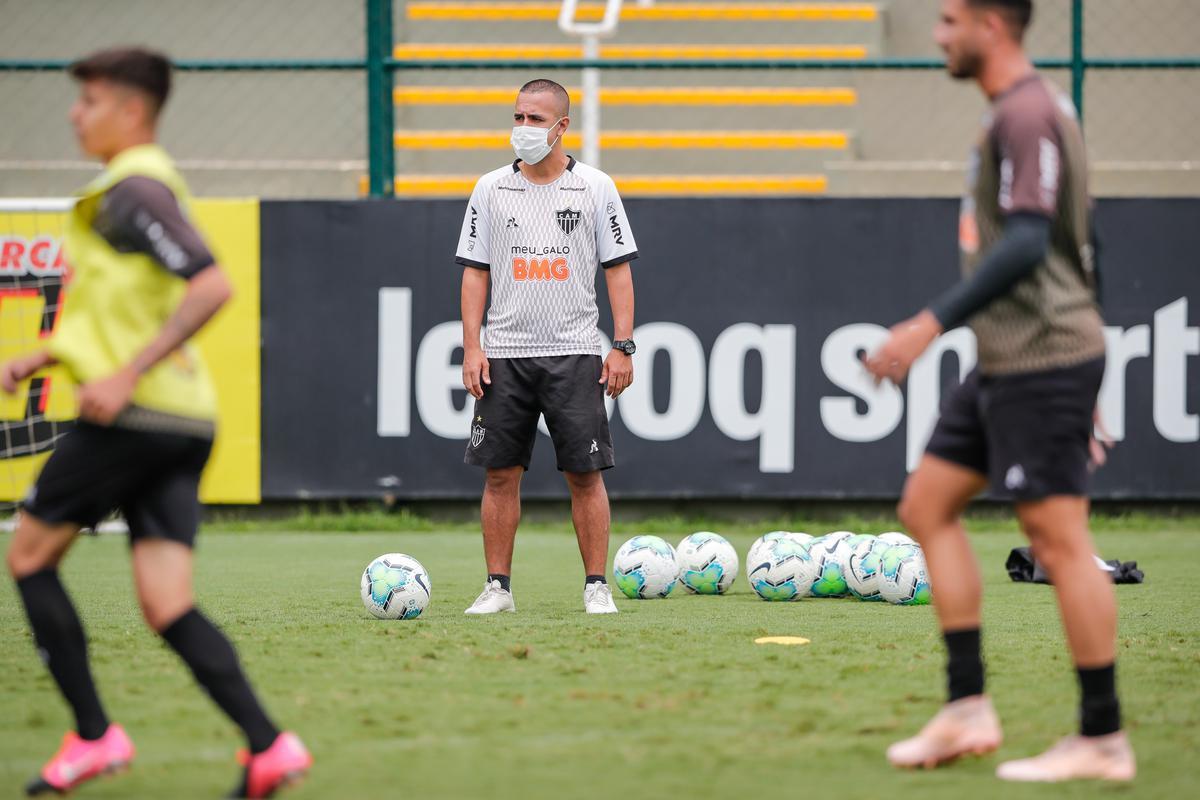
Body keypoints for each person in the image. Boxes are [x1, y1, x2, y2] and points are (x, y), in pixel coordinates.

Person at [2, 48, 310, 798]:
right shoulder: (128, 192)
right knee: (167, 604)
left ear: (132, 111)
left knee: (30, 558)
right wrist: (46, 355)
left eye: (91, 101)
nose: (77, 115)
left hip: (136, 418)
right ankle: (268, 747)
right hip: (183, 423)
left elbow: (211, 284)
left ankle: (93, 735)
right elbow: (121, 307)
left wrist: (126, 374)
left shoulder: (133, 189)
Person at [863, 0, 1135, 783]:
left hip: (1044, 359)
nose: (939, 36)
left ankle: (1102, 736)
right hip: (1012, 360)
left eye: (949, 20)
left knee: (1058, 542)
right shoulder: (1018, 114)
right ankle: (966, 708)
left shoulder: (1026, 114)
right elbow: (1087, 243)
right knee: (926, 507)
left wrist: (927, 325)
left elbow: (1025, 243)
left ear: (991, 24)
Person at [455, 78, 639, 616]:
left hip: (575, 350)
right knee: (499, 473)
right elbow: (474, 274)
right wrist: (473, 347)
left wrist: (622, 345)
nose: (523, 129)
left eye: (535, 120)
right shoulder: (489, 189)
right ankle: (497, 588)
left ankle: (596, 586)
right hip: (505, 353)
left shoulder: (596, 188)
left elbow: (618, 271)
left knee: (585, 474)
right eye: (518, 117)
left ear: (562, 128)